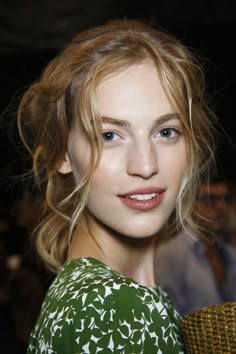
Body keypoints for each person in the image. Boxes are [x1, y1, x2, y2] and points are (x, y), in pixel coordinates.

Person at [17, 19, 216, 353]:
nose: (145, 165)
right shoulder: (117, 311)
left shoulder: (87, 295)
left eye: (166, 132)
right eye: (109, 135)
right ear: (61, 153)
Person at [155, 182, 236, 316]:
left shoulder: (230, 254)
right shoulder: (170, 255)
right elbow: (167, 318)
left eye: (226, 199)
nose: (221, 207)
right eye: (210, 199)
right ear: (190, 205)